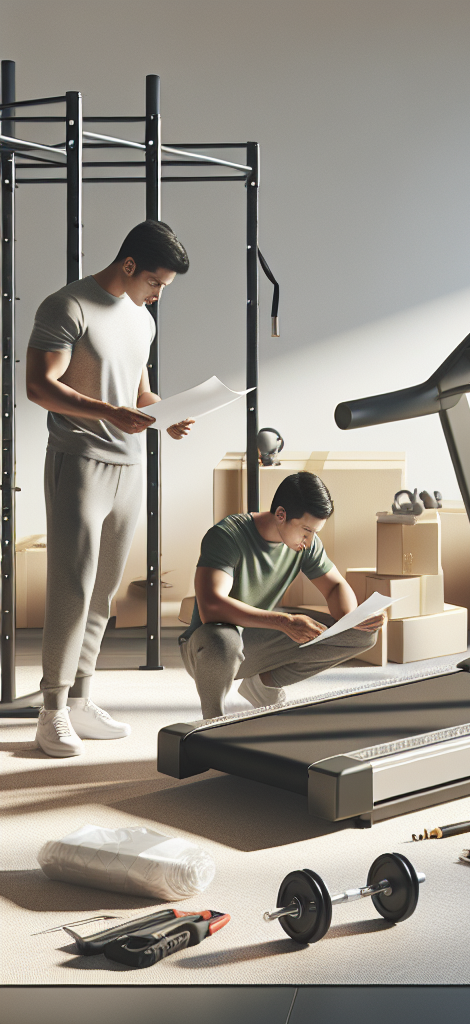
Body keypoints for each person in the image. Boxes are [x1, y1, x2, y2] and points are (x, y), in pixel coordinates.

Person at [26, 219, 195, 757]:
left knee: (103, 592)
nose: (159, 294)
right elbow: (38, 387)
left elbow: (137, 390)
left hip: (130, 464)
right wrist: (107, 412)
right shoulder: (67, 307)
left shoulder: (141, 319)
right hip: (79, 461)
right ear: (129, 265)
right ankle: (50, 710)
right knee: (71, 590)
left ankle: (80, 698)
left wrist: (164, 414)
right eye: (156, 282)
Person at [180, 472, 384, 719]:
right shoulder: (227, 535)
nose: (309, 540)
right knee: (224, 641)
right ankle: (212, 723)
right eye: (306, 530)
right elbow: (211, 607)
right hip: (208, 646)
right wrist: (283, 622)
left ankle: (263, 685)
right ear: (280, 514)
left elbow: (334, 586)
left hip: (255, 640)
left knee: (361, 636)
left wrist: (353, 618)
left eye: (315, 532)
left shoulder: (305, 544)